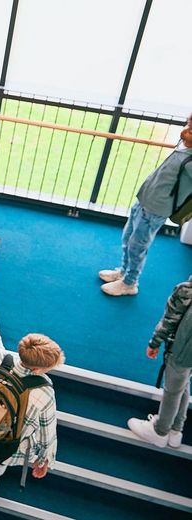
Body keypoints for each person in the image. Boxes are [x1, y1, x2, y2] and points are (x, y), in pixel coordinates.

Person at [0, 290, 65, 502]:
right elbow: (47, 431)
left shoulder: (2, 361)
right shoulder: (44, 393)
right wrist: (45, 460)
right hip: (9, 443)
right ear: (40, 370)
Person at [99, 114, 192, 296]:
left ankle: (129, 283)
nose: (186, 127)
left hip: (156, 208)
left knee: (138, 245)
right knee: (128, 238)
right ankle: (124, 271)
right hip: (144, 199)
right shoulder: (186, 145)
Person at [128, 276, 192, 448]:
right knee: (183, 383)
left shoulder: (186, 290)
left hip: (183, 349)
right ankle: (175, 430)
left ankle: (160, 431)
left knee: (173, 389)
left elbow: (169, 320)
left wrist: (154, 343)